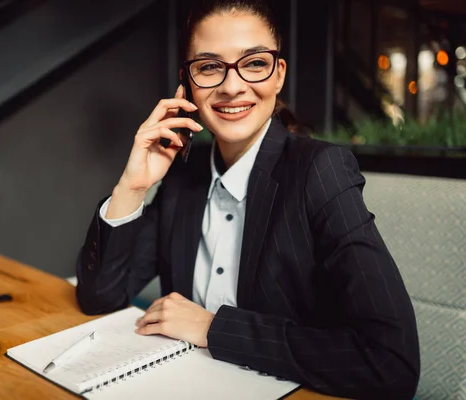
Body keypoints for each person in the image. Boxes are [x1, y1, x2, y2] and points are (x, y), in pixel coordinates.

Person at [75, 0, 420, 398]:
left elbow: (391, 363)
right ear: (187, 82)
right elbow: (99, 297)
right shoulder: (183, 179)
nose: (232, 85)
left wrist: (213, 328)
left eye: (254, 63)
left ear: (278, 76)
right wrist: (133, 186)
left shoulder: (320, 172)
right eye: (208, 67)